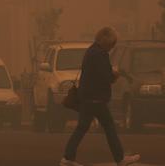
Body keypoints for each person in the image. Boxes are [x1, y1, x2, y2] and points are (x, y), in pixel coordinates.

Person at [60, 27, 141, 166]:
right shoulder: (100, 54)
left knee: (83, 128)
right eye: (111, 44)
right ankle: (120, 158)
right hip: (96, 99)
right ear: (104, 40)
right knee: (109, 127)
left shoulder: (91, 51)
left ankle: (67, 158)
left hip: (88, 97)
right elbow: (106, 77)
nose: (111, 47)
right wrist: (115, 74)